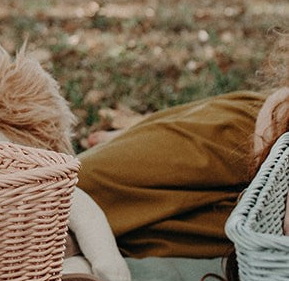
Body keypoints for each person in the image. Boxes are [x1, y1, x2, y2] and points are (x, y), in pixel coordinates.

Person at [74, 32, 289, 261]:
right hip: (250, 138)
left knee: (136, 236)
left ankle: (143, 129)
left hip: (248, 209)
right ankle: (143, 131)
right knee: (78, 181)